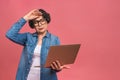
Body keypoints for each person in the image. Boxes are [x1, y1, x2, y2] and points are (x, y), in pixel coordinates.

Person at [6, 9, 69, 80]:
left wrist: (58, 68)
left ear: (47, 21)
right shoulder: (28, 37)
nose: (40, 24)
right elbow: (10, 34)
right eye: (36, 22)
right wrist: (26, 18)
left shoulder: (54, 39)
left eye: (42, 21)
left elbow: (57, 63)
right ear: (33, 25)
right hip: (27, 77)